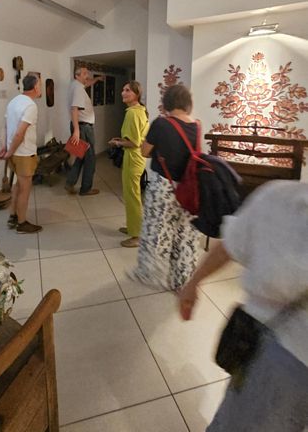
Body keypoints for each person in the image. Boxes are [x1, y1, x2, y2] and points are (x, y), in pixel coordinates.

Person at [179, 180, 308, 432]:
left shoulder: (279, 197)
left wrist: (193, 284)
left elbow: (231, 243)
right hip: (274, 352)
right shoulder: (279, 197)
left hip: (282, 361)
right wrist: (193, 283)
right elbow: (231, 243)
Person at [131, 84, 202, 290]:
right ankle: (182, 281)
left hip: (164, 186)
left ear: (167, 103)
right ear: (187, 103)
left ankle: (151, 274)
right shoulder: (197, 125)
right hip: (189, 188)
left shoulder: (161, 124)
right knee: (185, 234)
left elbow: (144, 151)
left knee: (157, 230)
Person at [0, 74, 42, 233]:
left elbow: (5, 127)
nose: (40, 88)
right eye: (40, 85)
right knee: (25, 189)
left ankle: (13, 216)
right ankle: (22, 223)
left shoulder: (13, 101)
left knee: (18, 185)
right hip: (24, 154)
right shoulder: (30, 106)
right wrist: (8, 152)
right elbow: (19, 133)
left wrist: (5, 147)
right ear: (35, 87)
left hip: (14, 152)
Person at [109, 81, 149, 248]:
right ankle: (134, 226)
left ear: (136, 94)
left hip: (133, 158)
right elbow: (136, 138)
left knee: (132, 196)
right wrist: (121, 140)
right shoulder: (140, 110)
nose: (123, 93)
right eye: (123, 90)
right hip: (137, 158)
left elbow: (134, 142)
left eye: (128, 90)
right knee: (132, 194)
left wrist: (117, 143)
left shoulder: (132, 113)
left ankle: (137, 235)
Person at [65, 66, 104, 196]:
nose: (87, 75)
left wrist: (97, 79)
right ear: (77, 76)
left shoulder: (75, 85)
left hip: (80, 126)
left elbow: (87, 83)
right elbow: (74, 109)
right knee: (90, 158)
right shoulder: (78, 89)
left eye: (87, 73)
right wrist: (77, 131)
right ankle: (86, 189)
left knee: (81, 157)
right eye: (84, 73)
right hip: (83, 128)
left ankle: (70, 182)